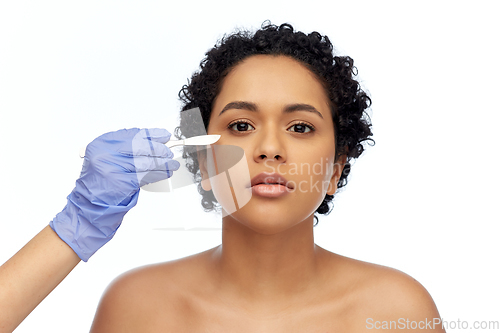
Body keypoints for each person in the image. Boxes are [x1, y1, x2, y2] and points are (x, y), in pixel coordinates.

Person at [0, 22, 445, 332]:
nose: (270, 148)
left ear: (337, 169)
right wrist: (75, 224)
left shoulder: (397, 311)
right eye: (241, 126)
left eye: (301, 127)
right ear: (204, 163)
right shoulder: (135, 306)